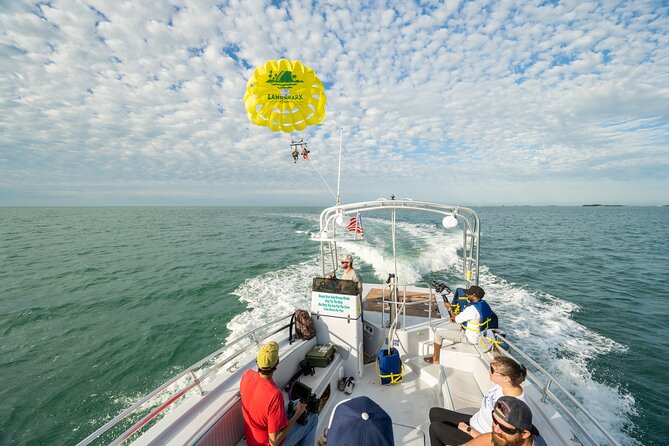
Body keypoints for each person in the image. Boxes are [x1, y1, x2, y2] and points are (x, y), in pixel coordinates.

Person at [428, 356, 527, 445]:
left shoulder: (513, 408)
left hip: (480, 437)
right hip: (474, 422)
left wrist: (469, 430)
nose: (489, 370)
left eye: (492, 370)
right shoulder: (502, 386)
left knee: (435, 429)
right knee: (434, 412)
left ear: (506, 378)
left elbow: (497, 442)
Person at [240, 341, 318, 446]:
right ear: (276, 363)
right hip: (267, 443)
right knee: (312, 419)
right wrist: (297, 414)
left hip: (252, 439)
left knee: (290, 410)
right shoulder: (274, 395)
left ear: (258, 361)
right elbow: (274, 442)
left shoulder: (247, 375)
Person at [424, 285, 492, 365]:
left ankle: (435, 359)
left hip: (470, 338)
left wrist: (449, 308)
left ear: (474, 296)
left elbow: (456, 319)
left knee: (438, 334)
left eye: (469, 294)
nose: (467, 295)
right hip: (478, 333)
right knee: (450, 325)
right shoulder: (484, 304)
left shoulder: (472, 309)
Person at [459, 397, 547, 446]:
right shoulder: (507, 438)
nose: (496, 429)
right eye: (494, 420)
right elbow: (490, 439)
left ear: (525, 434)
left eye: (504, 428)